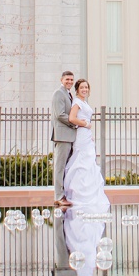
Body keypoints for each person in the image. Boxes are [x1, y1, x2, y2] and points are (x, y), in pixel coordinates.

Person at [63, 80, 111, 216]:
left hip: (86, 136)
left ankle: (88, 194)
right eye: (82, 87)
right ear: (77, 90)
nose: (84, 89)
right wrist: (85, 124)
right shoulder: (77, 102)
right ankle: (79, 194)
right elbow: (72, 118)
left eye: (86, 87)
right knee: (81, 162)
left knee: (89, 163)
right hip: (81, 134)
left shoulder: (84, 102)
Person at [51, 70, 77, 209]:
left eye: (71, 80)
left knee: (66, 167)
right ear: (61, 80)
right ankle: (58, 196)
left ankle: (63, 194)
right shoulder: (58, 94)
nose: (69, 82)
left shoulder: (68, 94)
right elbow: (60, 114)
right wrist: (75, 122)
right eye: (67, 79)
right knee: (59, 167)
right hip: (62, 136)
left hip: (69, 136)